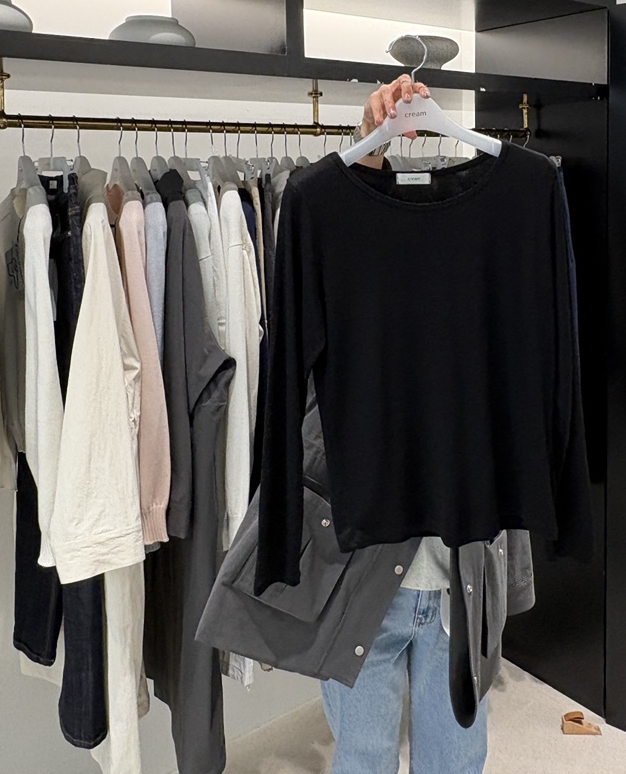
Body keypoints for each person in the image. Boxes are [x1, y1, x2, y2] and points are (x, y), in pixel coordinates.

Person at [197, 78, 537, 774]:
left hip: (462, 573)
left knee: (456, 758)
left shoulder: (499, 227)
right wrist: (368, 152)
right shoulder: (326, 215)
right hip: (357, 572)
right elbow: (299, 379)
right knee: (365, 756)